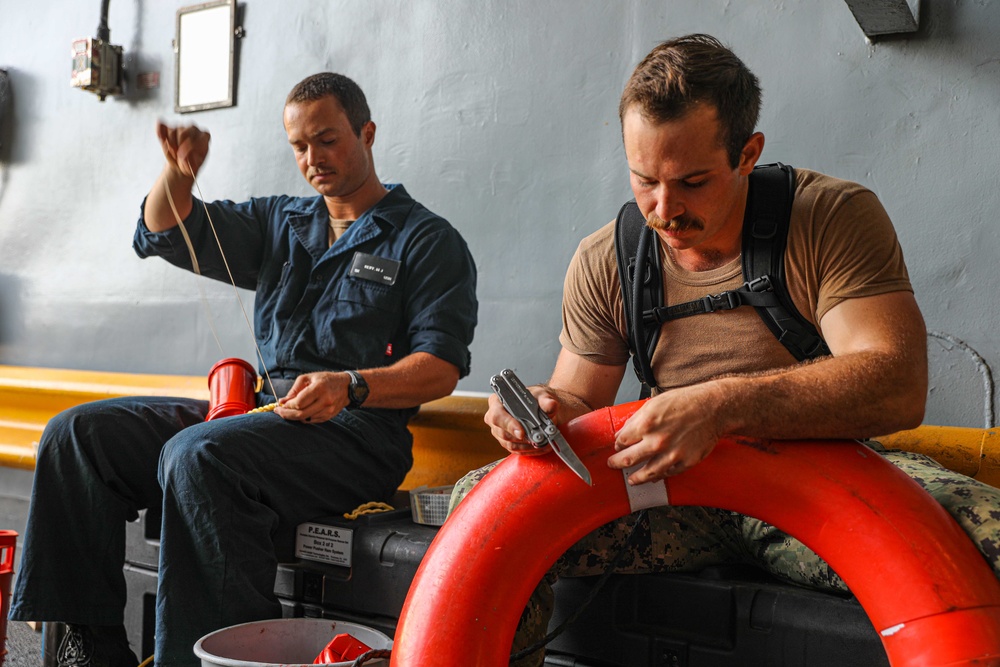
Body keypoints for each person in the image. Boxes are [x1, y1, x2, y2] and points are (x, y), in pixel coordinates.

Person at [455, 34, 1000, 666]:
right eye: (643, 180)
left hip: (821, 479)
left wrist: (717, 406)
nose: (664, 209)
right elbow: (578, 399)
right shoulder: (608, 256)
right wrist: (538, 413)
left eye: (692, 182)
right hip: (668, 490)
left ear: (747, 154)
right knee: (483, 507)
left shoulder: (829, 216)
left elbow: (895, 382)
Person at [10, 72, 478, 667]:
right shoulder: (281, 222)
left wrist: (351, 385)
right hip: (260, 414)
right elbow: (162, 231)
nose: (313, 159)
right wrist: (178, 173)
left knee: (201, 454)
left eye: (328, 140)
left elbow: (438, 368)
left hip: (356, 438)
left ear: (367, 132)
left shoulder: (426, 239)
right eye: (300, 146)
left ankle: (204, 660)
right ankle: (90, 646)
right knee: (78, 435)